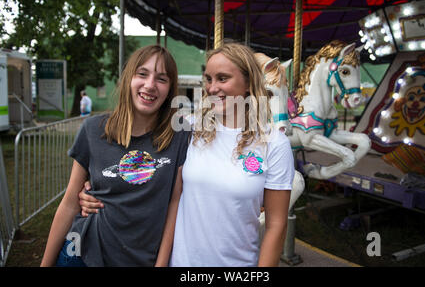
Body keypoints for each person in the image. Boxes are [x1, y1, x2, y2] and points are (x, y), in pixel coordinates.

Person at [80, 43, 294, 267]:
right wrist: (94, 189)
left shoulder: (274, 144)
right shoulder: (188, 130)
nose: (212, 88)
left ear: (248, 83)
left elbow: (276, 225)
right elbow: (140, 164)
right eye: (208, 79)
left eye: (222, 78)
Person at [40, 45, 190, 267]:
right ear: (129, 78)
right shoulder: (93, 129)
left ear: (170, 88)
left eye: (161, 79)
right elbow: (70, 202)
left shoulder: (178, 135)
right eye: (142, 74)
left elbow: (174, 205)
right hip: (82, 255)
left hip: (141, 260)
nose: (150, 85)